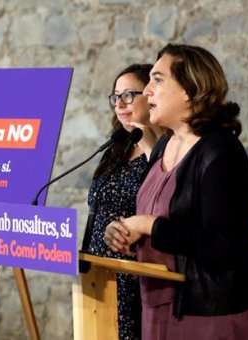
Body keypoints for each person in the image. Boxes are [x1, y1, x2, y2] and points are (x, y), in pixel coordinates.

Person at [103, 43, 248, 340]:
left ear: (189, 90)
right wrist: (124, 232)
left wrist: (148, 225)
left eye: (157, 80)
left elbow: (223, 245)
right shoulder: (164, 146)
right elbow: (158, 217)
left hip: (210, 313)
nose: (148, 91)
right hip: (159, 305)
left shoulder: (220, 151)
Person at [84, 63, 164, 340]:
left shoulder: (166, 149)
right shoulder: (117, 147)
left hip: (133, 273)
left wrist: (149, 141)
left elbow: (163, 193)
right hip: (97, 269)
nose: (120, 104)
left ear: (151, 94)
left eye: (129, 94)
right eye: (115, 96)